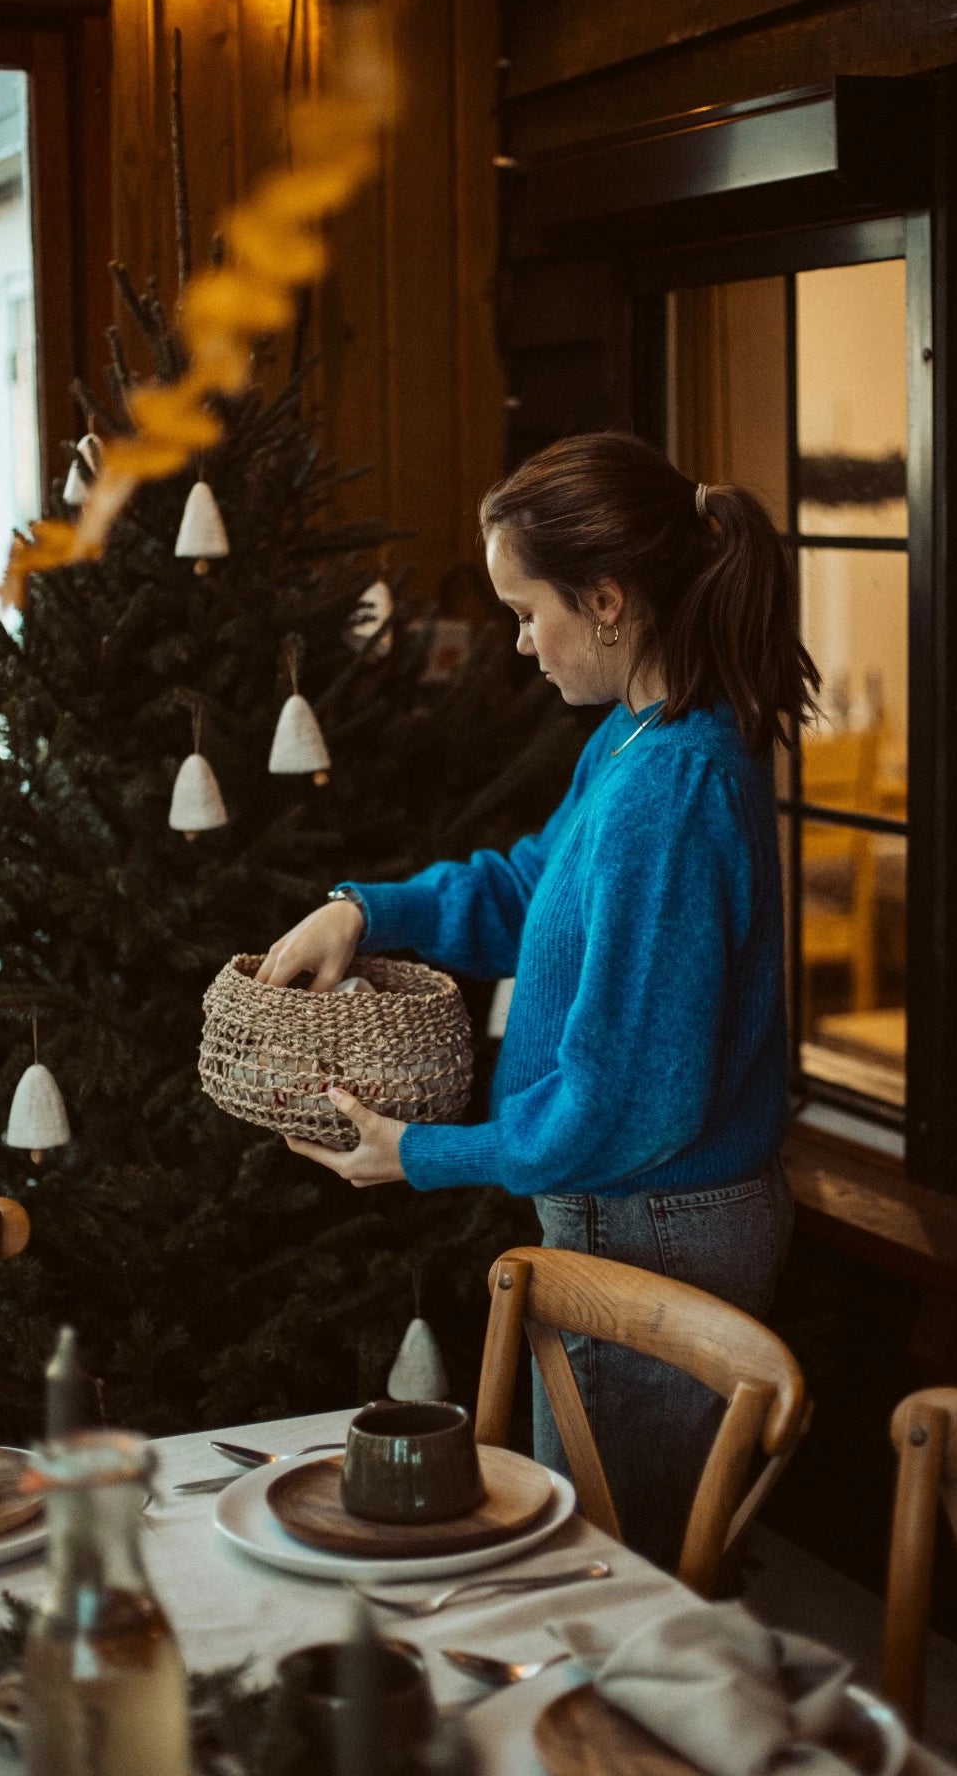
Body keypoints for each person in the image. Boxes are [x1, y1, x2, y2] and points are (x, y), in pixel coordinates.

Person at [254, 430, 819, 1568]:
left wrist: (421, 1155)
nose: (520, 642)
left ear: (607, 601)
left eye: (528, 612)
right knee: (619, 1562)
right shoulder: (640, 738)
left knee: (622, 1578)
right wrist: (366, 910)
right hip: (637, 1212)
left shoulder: (670, 790)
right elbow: (530, 888)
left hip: (653, 1227)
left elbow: (629, 1106)